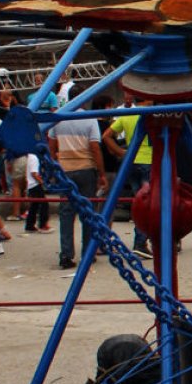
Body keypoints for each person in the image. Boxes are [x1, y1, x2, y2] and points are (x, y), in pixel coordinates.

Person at [50, 107, 107, 269]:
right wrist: (101, 173)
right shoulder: (90, 118)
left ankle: (66, 255)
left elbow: (51, 146)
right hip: (86, 168)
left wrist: (54, 168)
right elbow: (95, 147)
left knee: (66, 213)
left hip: (65, 169)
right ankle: (88, 253)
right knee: (88, 213)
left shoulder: (58, 118)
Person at [103, 98, 154, 259]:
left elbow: (106, 136)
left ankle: (143, 239)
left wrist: (121, 152)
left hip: (131, 162)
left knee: (138, 201)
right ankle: (141, 242)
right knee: (149, 203)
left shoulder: (127, 115)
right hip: (148, 161)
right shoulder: (152, 115)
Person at [23, 152, 53, 234]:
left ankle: (30, 225)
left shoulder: (29, 156)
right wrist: (42, 182)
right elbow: (34, 173)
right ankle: (43, 225)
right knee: (44, 204)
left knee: (34, 205)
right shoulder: (34, 157)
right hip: (35, 184)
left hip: (31, 185)